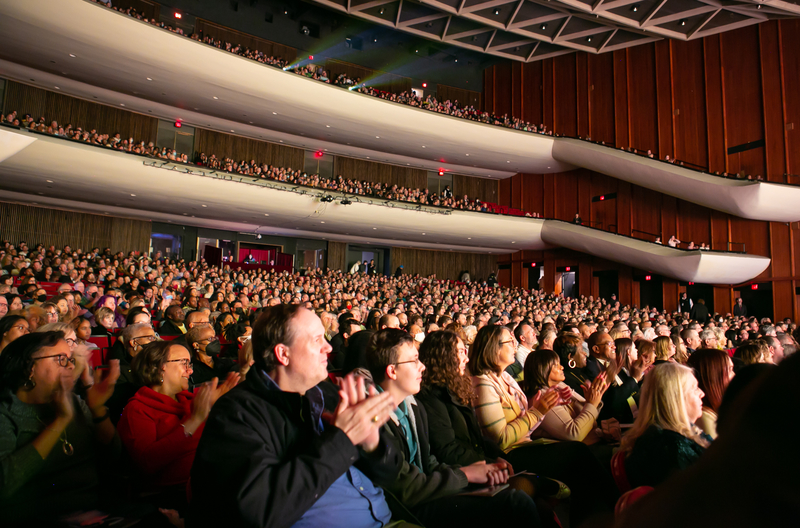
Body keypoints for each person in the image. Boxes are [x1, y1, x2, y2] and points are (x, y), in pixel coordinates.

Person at [188, 305, 403, 528]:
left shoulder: (330, 394)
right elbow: (259, 511)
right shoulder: (236, 414)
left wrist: (373, 445)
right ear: (283, 353)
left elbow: (390, 475)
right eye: (317, 339)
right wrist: (343, 440)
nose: (328, 347)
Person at [365, 328, 542, 527]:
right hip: (410, 507)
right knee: (515, 502)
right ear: (392, 371)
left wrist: (473, 470)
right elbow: (406, 487)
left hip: (435, 487)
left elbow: (428, 461)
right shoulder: (374, 420)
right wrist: (465, 475)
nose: (422, 366)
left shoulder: (413, 407)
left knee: (529, 496)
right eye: (414, 360)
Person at [469, 325, 618, 526]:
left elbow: (528, 423)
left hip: (526, 445)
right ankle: (620, 508)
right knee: (577, 453)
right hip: (509, 455)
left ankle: (598, 518)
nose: (515, 345)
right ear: (494, 349)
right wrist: (539, 411)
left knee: (582, 472)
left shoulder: (505, 377)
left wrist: (548, 406)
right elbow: (500, 439)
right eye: (509, 341)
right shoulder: (483, 384)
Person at [0, 332, 121, 524]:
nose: (72, 366)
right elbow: (4, 484)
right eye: (61, 359)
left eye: (71, 359)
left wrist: (97, 410)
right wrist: (61, 420)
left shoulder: (74, 401)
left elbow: (114, 459)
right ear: (29, 367)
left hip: (92, 510)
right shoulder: (6, 411)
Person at [117, 341, 238, 507]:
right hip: (169, 497)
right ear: (160, 366)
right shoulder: (137, 409)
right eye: (184, 363)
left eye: (190, 363)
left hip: (208, 484)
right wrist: (194, 421)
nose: (190, 370)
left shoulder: (189, 401)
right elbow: (148, 462)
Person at [619, 363, 710, 488]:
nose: (702, 393)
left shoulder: (677, 434)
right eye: (694, 388)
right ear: (675, 398)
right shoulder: (670, 448)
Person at [522, 349, 607, 443]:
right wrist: (591, 404)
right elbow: (574, 434)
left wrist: (592, 398)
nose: (562, 367)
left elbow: (590, 417)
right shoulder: (543, 397)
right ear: (542, 369)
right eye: (556, 365)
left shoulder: (560, 385)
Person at [685, 348, 734, 439]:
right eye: (730, 369)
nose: (734, 375)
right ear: (714, 375)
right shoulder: (703, 417)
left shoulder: (718, 409)